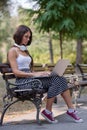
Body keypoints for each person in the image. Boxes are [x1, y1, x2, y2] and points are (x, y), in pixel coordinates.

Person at [7, 25, 83, 124]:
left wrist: (42, 73)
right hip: (22, 82)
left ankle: (70, 110)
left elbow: (30, 70)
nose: (28, 39)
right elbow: (16, 72)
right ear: (19, 35)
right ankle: (49, 111)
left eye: (29, 37)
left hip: (31, 79)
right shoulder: (12, 51)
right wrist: (34, 75)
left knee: (60, 78)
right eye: (26, 36)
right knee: (57, 80)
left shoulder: (25, 51)